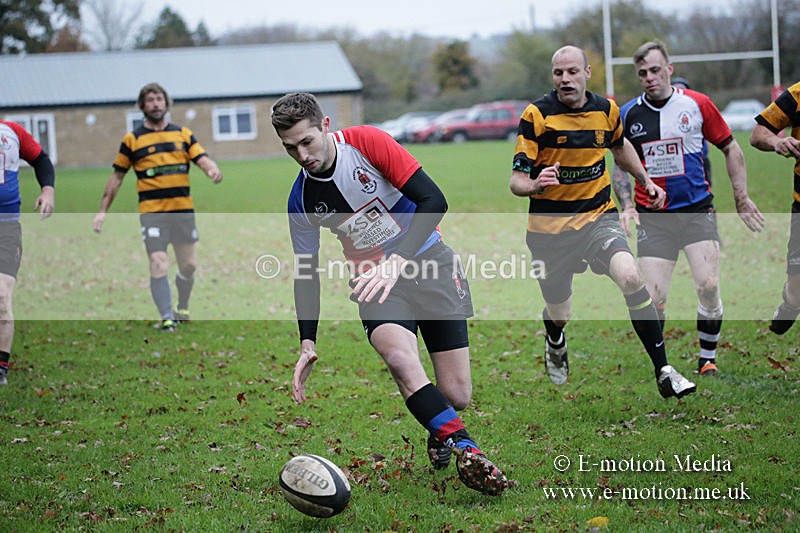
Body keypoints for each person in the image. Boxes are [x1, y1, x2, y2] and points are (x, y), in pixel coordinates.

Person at [271, 92, 508, 495]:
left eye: (307, 141)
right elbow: (306, 272)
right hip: (374, 283)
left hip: (431, 263)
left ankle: (441, 427)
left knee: (456, 394)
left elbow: (434, 200)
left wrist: (397, 258)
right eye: (290, 148)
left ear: (325, 125)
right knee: (400, 358)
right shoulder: (302, 199)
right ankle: (467, 448)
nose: (302, 154)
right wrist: (306, 341)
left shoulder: (367, 143)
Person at [509, 45, 697, 399]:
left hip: (599, 218)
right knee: (560, 311)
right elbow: (516, 181)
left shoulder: (607, 110)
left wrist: (645, 180)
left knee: (630, 275)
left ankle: (664, 370)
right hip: (550, 234)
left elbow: (620, 144)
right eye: (558, 73)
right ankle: (554, 333)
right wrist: (535, 183)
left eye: (572, 72)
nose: (565, 79)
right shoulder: (537, 116)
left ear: (587, 73)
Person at [612, 40, 764, 376]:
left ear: (669, 68)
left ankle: (707, 357)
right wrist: (626, 205)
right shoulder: (628, 114)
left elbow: (731, 148)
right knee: (653, 299)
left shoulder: (697, 104)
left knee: (708, 285)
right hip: (654, 218)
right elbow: (619, 164)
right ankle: (663, 366)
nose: (650, 77)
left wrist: (741, 197)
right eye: (642, 73)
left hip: (697, 212)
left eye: (655, 70)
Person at [92, 82, 223, 331]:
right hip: (153, 214)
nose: (155, 104)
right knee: (158, 261)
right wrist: (102, 211)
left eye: (159, 99)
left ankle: (181, 307)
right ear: (142, 106)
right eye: (150, 100)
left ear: (166, 103)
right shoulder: (132, 140)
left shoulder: (183, 134)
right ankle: (166, 317)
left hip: (182, 211)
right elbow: (117, 177)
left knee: (189, 266)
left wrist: (212, 169)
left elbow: (201, 158)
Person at [0, 120, 56, 385]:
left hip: (6, 227)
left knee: (1, 296)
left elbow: (41, 160)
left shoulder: (12, 131)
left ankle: (0, 368)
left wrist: (48, 191)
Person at [750, 82, 800, 334]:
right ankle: (792, 301)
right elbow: (758, 135)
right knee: (797, 290)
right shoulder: (797, 95)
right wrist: (777, 143)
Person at [672, 77, 713, 186]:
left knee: (705, 188)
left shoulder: (696, 109)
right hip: (676, 163)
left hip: (700, 160)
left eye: (681, 89)